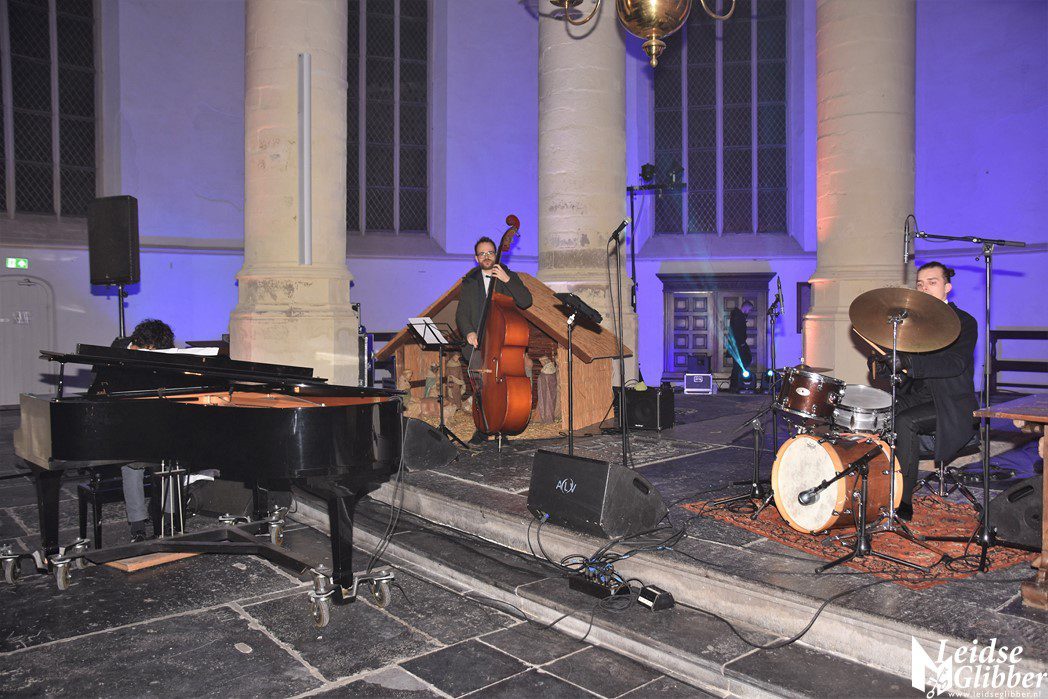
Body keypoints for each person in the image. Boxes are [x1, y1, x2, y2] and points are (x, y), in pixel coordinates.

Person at [868, 261, 978, 521]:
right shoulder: (911, 323)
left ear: (947, 287)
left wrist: (908, 362)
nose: (925, 288)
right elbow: (899, 369)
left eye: (932, 282)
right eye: (920, 284)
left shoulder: (964, 322)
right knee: (875, 416)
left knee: (905, 421)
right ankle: (874, 489)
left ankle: (903, 502)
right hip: (916, 397)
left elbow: (955, 363)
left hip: (950, 402)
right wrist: (883, 365)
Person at [89, 319, 177, 542]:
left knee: (173, 458)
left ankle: (169, 518)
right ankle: (137, 525)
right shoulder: (117, 350)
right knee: (131, 466)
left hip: (154, 414)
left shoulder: (162, 353)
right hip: (121, 418)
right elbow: (98, 388)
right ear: (141, 345)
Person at [455, 236, 532, 442]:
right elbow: (461, 314)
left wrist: (507, 280)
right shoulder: (469, 281)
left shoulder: (508, 276)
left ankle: (501, 427)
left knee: (500, 388)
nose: (487, 256)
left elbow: (526, 301)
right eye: (482, 254)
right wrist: (469, 332)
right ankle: (482, 428)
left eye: (490, 252)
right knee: (481, 389)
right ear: (476, 258)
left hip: (500, 348)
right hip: (478, 344)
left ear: (496, 254)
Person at [727, 300, 754, 392]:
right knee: (739, 364)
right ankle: (734, 386)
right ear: (746, 307)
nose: (749, 312)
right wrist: (741, 343)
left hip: (737, 344)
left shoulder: (738, 316)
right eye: (749, 309)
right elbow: (737, 332)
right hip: (738, 345)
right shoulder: (739, 316)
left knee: (739, 364)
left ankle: (735, 385)